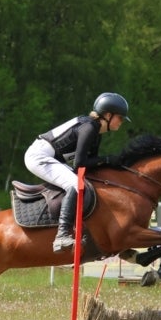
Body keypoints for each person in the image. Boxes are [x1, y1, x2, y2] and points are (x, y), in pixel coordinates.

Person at [24, 92, 131, 252]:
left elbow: (87, 167)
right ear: (108, 115)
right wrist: (107, 159)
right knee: (75, 184)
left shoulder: (97, 132)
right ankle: (61, 235)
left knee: (87, 183)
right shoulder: (89, 128)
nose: (121, 122)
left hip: (51, 158)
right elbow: (80, 163)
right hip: (39, 156)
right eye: (120, 117)